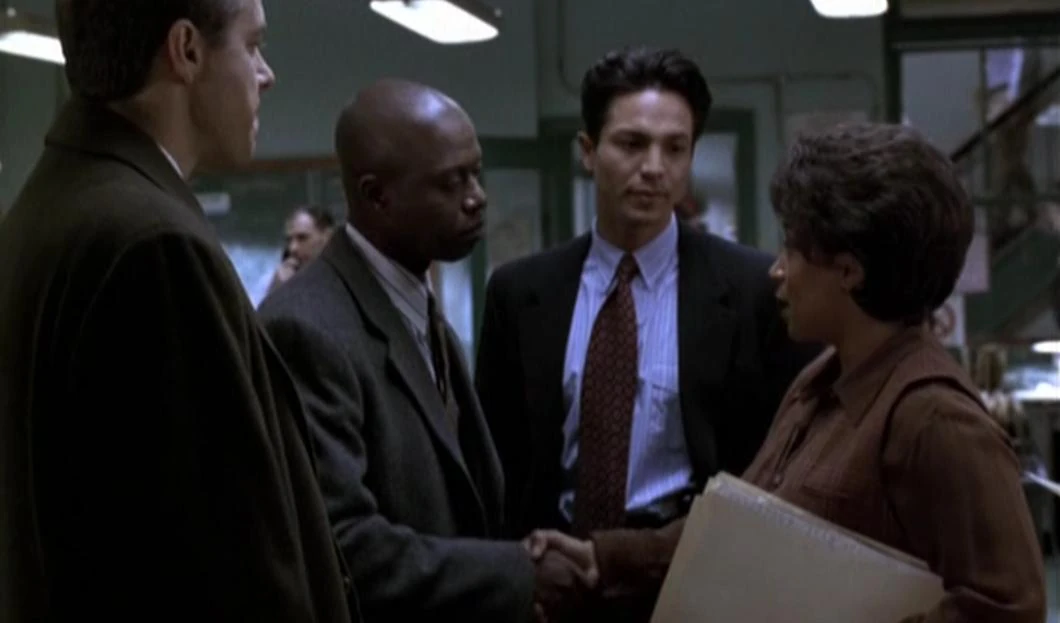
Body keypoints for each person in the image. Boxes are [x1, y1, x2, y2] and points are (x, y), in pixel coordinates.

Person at [570, 122, 1048, 622]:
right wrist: (606, 558)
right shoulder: (821, 381)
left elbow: (1008, 608)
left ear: (849, 271)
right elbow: (740, 528)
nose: (777, 270)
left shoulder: (934, 419)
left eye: (793, 249)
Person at [0, 1, 355, 621]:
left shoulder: (52, 205)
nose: (266, 74)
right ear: (186, 51)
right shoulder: (153, 245)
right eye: (252, 46)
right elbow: (220, 563)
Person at [475, 46, 814, 621]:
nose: (654, 167)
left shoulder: (753, 289)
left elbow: (781, 466)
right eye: (632, 144)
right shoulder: (521, 293)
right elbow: (496, 463)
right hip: (554, 581)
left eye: (674, 148)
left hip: (691, 577)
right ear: (588, 151)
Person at [257, 79, 588, 623]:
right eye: (450, 182)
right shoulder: (307, 329)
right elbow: (343, 545)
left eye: (476, 173)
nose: (477, 197)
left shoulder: (414, 300)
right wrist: (519, 574)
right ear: (376, 195)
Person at [266, 204, 336, 294]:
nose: (292, 248)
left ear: (328, 236)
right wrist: (276, 289)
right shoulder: (285, 276)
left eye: (302, 238)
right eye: (289, 240)